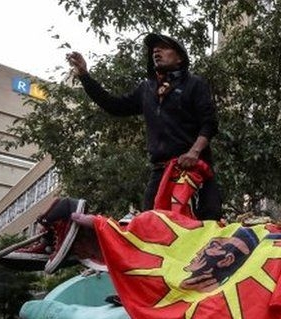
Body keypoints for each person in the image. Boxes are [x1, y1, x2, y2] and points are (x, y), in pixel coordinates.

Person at [66, 33, 222, 220]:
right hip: (160, 172)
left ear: (180, 57)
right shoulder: (147, 89)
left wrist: (194, 152)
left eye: (164, 47)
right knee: (151, 225)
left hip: (195, 169)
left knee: (206, 224)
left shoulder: (194, 84)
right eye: (154, 48)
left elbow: (209, 123)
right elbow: (114, 106)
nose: (156, 50)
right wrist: (85, 76)